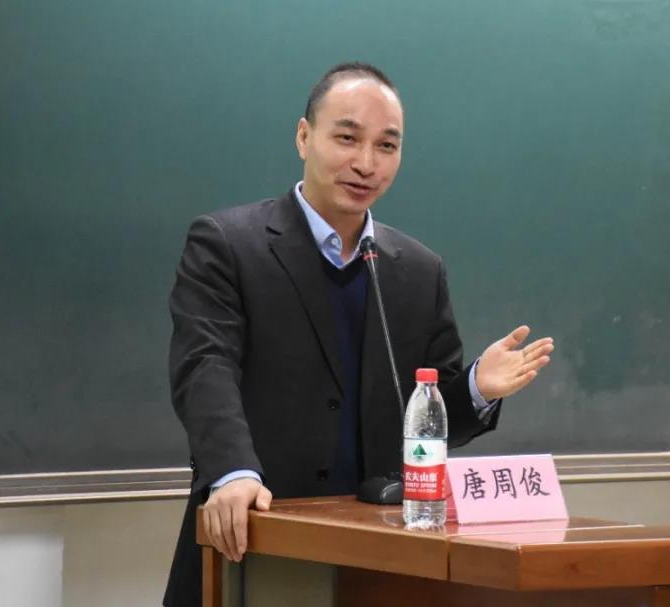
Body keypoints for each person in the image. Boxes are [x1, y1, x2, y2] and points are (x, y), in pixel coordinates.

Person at [163, 62, 554, 606]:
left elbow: (425, 423)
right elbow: (204, 366)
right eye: (347, 138)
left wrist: (475, 388)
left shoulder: (418, 269)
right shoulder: (228, 244)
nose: (366, 164)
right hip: (254, 537)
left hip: (379, 561)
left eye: (386, 146)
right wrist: (232, 471)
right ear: (304, 137)